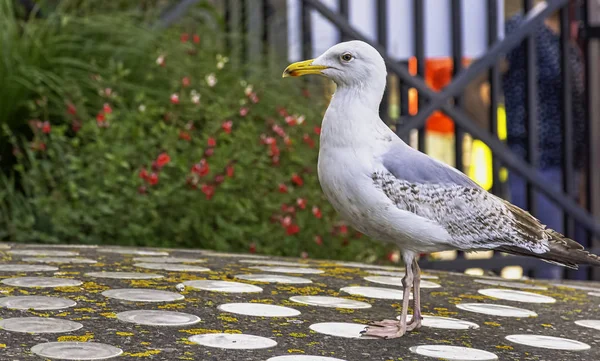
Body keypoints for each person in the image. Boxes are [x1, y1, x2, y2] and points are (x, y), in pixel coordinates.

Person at [501, 1, 587, 279]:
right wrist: (502, 146)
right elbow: (474, 86)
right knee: (547, 261)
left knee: (578, 261)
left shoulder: (571, 31)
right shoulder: (524, 28)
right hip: (535, 160)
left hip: (573, 163)